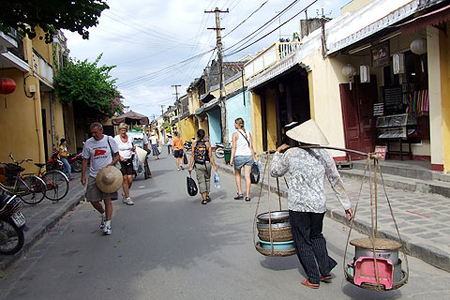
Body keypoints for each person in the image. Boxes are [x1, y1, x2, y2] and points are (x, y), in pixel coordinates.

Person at [270, 119, 354, 289]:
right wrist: (346, 204)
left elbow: (275, 171)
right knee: (316, 235)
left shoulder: (291, 153)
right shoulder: (324, 154)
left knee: (302, 240)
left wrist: (277, 153)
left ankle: (313, 278)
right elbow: (335, 179)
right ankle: (325, 269)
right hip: (318, 205)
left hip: (298, 206)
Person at [81, 122, 120, 235]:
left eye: (96, 132)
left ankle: (107, 224)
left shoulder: (109, 140)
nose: (94, 135)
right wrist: (83, 176)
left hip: (107, 175)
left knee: (107, 199)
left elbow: (117, 155)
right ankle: (103, 213)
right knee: (92, 199)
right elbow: (85, 159)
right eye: (92, 133)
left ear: (101, 131)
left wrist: (111, 164)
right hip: (94, 175)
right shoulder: (88, 143)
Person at [230, 117, 258, 201]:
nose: (234, 125)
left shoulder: (235, 134)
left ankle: (240, 192)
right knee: (247, 176)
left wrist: (231, 159)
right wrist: (254, 158)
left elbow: (234, 147)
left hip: (239, 156)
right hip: (248, 156)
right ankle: (248, 195)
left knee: (237, 174)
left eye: (235, 123)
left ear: (238, 125)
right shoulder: (249, 133)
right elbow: (251, 147)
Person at [188, 129, 219, 205]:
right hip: (207, 164)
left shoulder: (194, 144)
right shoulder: (208, 144)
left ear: (197, 135)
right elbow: (210, 156)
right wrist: (214, 166)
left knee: (201, 181)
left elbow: (192, 156)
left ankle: (204, 199)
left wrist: (190, 167)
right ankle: (208, 195)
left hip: (198, 165)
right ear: (204, 135)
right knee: (207, 180)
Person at [114, 123, 135, 205]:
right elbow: (114, 150)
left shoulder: (130, 137)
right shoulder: (116, 139)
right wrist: (119, 157)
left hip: (129, 159)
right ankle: (128, 197)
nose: (123, 132)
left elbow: (132, 146)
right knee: (125, 179)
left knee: (130, 179)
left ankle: (125, 193)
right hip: (120, 160)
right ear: (119, 130)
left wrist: (134, 150)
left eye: (124, 130)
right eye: (121, 130)